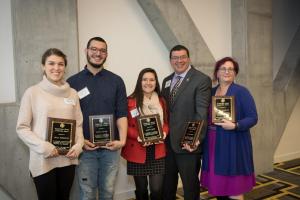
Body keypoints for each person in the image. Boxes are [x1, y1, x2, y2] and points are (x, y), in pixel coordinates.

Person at [16, 48, 84, 200]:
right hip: (43, 160)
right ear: (43, 66)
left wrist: (79, 145)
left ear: (65, 67)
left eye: (60, 64)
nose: (56, 68)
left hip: (68, 158)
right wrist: (44, 146)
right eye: (51, 63)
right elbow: (22, 128)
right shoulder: (32, 92)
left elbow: (78, 124)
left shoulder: (73, 93)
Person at [67, 37, 128, 200]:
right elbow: (69, 118)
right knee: (86, 193)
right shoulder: (72, 82)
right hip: (85, 150)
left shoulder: (116, 81)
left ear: (106, 54)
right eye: (94, 49)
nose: (98, 53)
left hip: (111, 149)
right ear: (86, 51)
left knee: (107, 192)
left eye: (102, 50)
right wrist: (79, 141)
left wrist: (122, 140)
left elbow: (122, 113)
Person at [200, 57, 258, 200]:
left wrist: (236, 125)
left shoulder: (242, 92)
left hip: (234, 142)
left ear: (235, 73)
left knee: (234, 187)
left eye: (231, 69)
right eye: (223, 69)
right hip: (214, 143)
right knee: (219, 185)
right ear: (217, 73)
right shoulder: (211, 92)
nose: (227, 71)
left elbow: (253, 117)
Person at [161, 45, 211, 200]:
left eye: (182, 57)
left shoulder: (201, 79)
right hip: (168, 144)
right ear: (170, 61)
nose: (179, 61)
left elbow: (201, 113)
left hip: (187, 144)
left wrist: (193, 139)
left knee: (190, 187)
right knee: (167, 185)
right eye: (175, 58)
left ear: (189, 58)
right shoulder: (167, 81)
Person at [121, 68, 169, 200]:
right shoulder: (130, 101)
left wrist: (163, 133)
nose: (148, 82)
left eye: (152, 79)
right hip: (137, 149)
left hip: (157, 149)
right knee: (141, 190)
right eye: (145, 79)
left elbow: (165, 123)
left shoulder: (161, 101)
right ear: (139, 81)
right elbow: (124, 126)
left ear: (156, 82)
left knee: (157, 189)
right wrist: (138, 136)